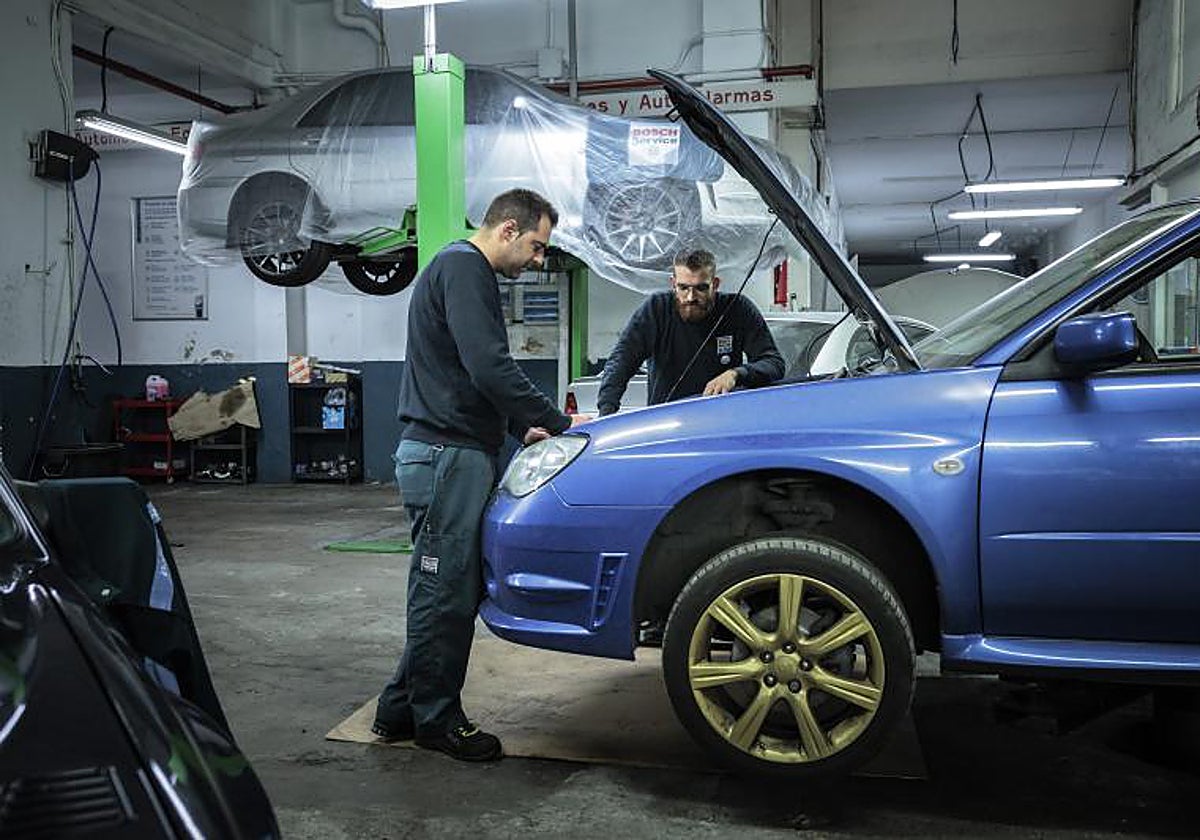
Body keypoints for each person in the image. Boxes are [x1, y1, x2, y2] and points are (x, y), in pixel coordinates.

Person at [372, 188, 589, 762]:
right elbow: (489, 366)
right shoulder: (465, 268)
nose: (537, 261)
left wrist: (521, 430)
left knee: (449, 589)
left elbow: (468, 376)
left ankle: (400, 709)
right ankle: (437, 721)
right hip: (447, 456)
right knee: (444, 592)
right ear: (508, 229)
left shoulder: (460, 271)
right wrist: (557, 422)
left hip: (453, 452)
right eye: (536, 247)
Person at [596, 249, 785, 416]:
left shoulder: (737, 309)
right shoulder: (656, 310)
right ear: (673, 284)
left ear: (715, 284)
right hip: (667, 423)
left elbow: (774, 363)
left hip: (723, 422)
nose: (690, 297)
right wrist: (606, 412)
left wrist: (736, 374)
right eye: (683, 287)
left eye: (701, 288)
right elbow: (621, 362)